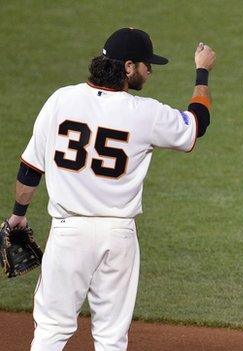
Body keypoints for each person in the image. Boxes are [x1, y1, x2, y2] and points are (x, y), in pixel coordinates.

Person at [5, 28, 215, 351]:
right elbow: (196, 125)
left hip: (68, 233)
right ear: (128, 67)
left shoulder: (60, 99)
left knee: (50, 331)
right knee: (111, 338)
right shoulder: (146, 112)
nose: (150, 70)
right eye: (147, 64)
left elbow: (30, 169)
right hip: (118, 237)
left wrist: (18, 216)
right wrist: (202, 71)